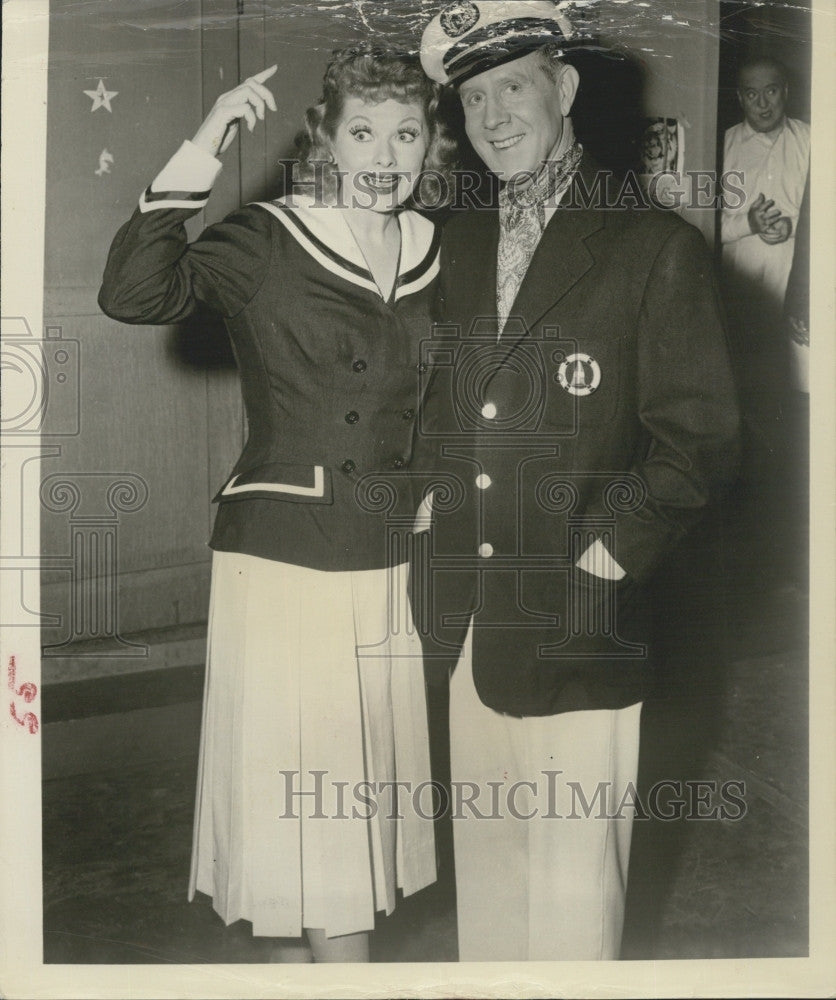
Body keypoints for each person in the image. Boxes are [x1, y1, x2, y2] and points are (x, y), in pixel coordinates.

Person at [99, 46, 455, 963]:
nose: (386, 154)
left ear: (430, 143)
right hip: (287, 560)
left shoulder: (431, 246)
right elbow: (134, 290)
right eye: (364, 131)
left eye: (407, 132)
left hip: (382, 565)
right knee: (313, 842)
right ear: (327, 139)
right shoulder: (268, 236)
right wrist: (207, 140)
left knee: (329, 833)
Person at [416, 1, 741, 961]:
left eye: (512, 85)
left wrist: (605, 559)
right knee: (491, 882)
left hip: (581, 616)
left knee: (570, 901)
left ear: (563, 89)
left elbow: (702, 440)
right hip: (472, 608)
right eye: (472, 97)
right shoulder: (458, 240)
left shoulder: (654, 246)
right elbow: (444, 403)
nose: (492, 114)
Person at [721, 56, 810, 395]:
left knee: (792, 397)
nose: (762, 103)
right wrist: (748, 223)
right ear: (740, 97)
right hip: (737, 299)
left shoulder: (812, 141)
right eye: (752, 93)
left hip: (793, 296)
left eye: (771, 91)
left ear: (785, 91)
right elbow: (705, 226)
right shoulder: (722, 145)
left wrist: (793, 227)